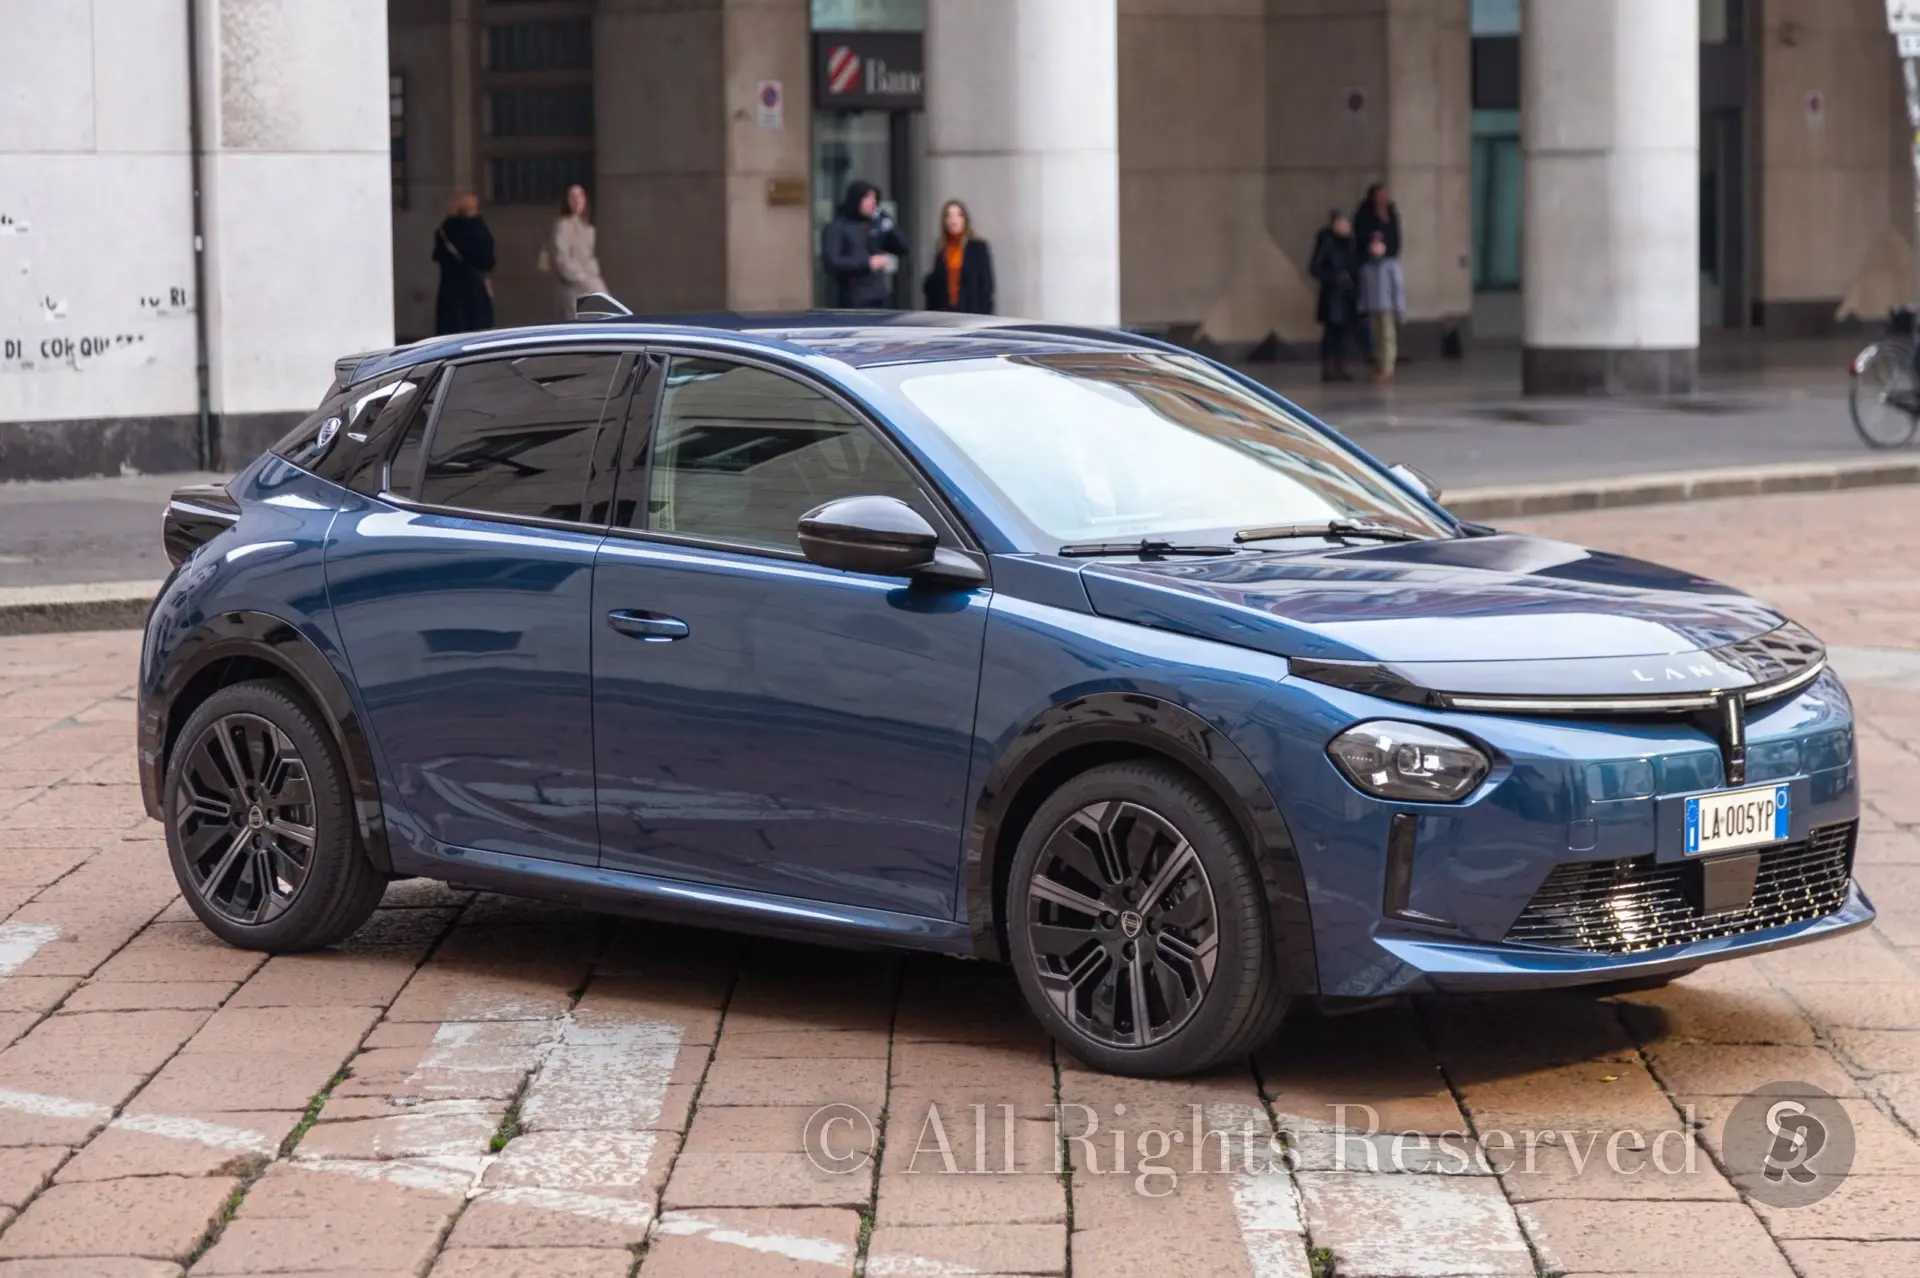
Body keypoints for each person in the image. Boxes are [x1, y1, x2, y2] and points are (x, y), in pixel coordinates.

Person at [822, 180, 909, 309]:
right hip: (851, 299)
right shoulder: (837, 227)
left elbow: (903, 248)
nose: (872, 202)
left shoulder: (875, 226)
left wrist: (888, 223)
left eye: (874, 198)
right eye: (867, 198)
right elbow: (832, 261)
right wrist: (867, 263)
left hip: (878, 296)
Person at [1308, 210, 1360, 383]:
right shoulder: (1326, 241)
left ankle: (1342, 367)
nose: (1346, 227)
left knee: (1345, 333)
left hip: (1347, 294)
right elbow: (1315, 268)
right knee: (1331, 333)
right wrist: (1333, 278)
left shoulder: (1351, 243)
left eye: (1347, 224)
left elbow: (1355, 265)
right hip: (1332, 295)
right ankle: (1328, 369)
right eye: (1342, 224)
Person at [432, 192, 495, 335]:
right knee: (478, 330)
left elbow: (439, 255)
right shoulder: (480, 229)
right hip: (475, 286)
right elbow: (488, 260)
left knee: (452, 330)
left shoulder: (446, 230)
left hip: (451, 289)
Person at [921, 200, 995, 315]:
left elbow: (986, 287)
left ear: (964, 220)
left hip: (972, 314)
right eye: (949, 216)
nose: (953, 220)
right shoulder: (942, 251)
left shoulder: (978, 248)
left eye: (957, 215)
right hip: (946, 316)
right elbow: (933, 290)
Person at [547, 184, 607, 319]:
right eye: (572, 197)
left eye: (579, 196)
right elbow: (562, 260)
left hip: (591, 287)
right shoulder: (563, 226)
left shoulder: (588, 228)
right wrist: (584, 279)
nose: (576, 200)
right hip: (574, 290)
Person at [1358, 231, 1406, 382]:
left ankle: (1387, 368)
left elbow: (1398, 288)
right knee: (1376, 337)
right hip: (1373, 306)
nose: (1375, 247)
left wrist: (1400, 308)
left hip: (1388, 306)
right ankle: (1379, 365)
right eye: (1373, 244)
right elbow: (1364, 289)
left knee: (1387, 337)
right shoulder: (1366, 268)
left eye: (1378, 243)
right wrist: (1362, 306)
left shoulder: (1391, 266)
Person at [1353, 183, 1402, 260]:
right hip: (1367, 258)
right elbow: (1360, 234)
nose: (1382, 199)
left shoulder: (1390, 212)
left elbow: (1395, 236)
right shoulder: (1363, 213)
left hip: (1388, 256)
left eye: (1384, 196)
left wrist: (1385, 219)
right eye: (1379, 196)